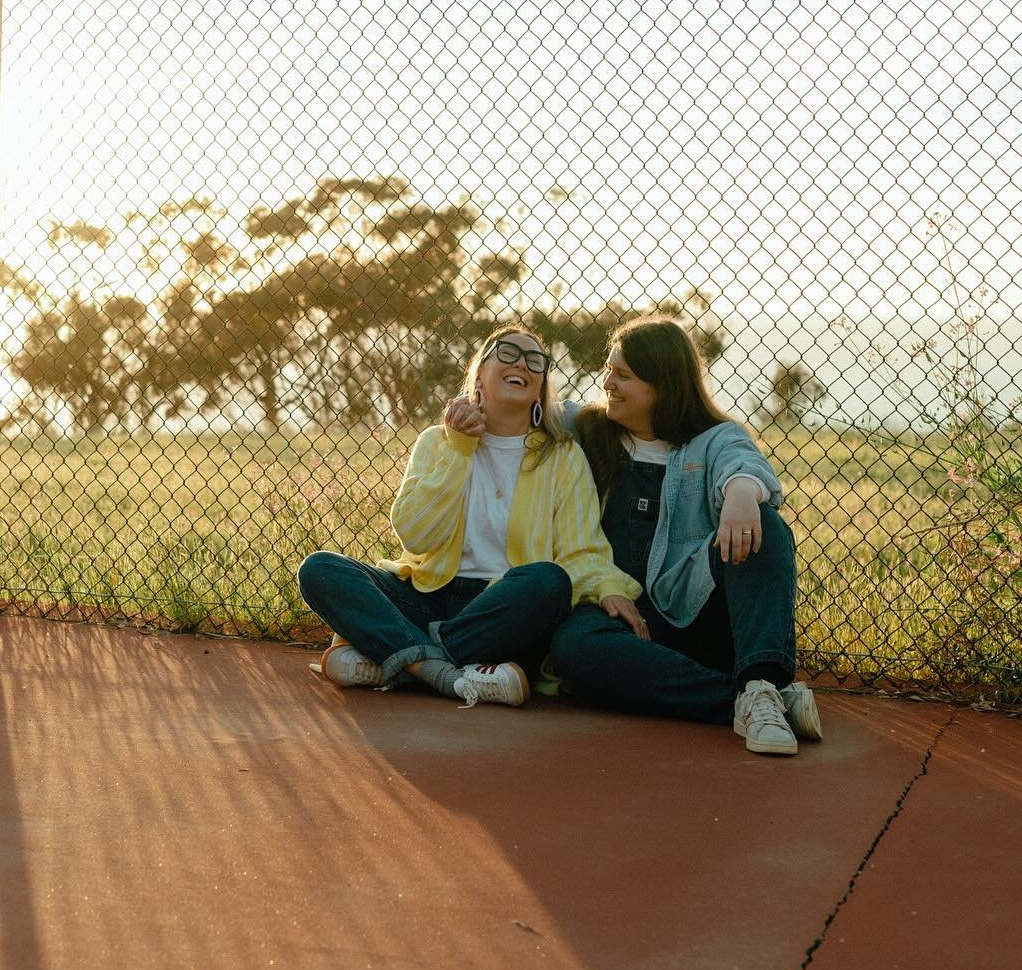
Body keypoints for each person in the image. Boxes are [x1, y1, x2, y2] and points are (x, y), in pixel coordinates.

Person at [298, 326, 643, 708]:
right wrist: (459, 448)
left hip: (501, 608)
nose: (523, 365)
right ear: (479, 373)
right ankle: (452, 673)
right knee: (321, 570)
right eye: (508, 353)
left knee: (549, 581)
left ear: (541, 384)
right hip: (427, 595)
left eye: (535, 361)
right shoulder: (436, 441)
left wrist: (609, 586)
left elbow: (581, 550)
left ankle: (399, 658)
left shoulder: (561, 456)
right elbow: (416, 536)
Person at [547, 315, 821, 755]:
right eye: (609, 370)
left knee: (765, 524)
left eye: (624, 376)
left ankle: (760, 680)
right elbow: (530, 411)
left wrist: (740, 493)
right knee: (574, 648)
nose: (608, 384)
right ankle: (754, 698)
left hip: (693, 613)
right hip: (620, 616)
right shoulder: (590, 429)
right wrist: (473, 408)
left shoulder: (712, 440)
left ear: (662, 385)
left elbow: (744, 464)